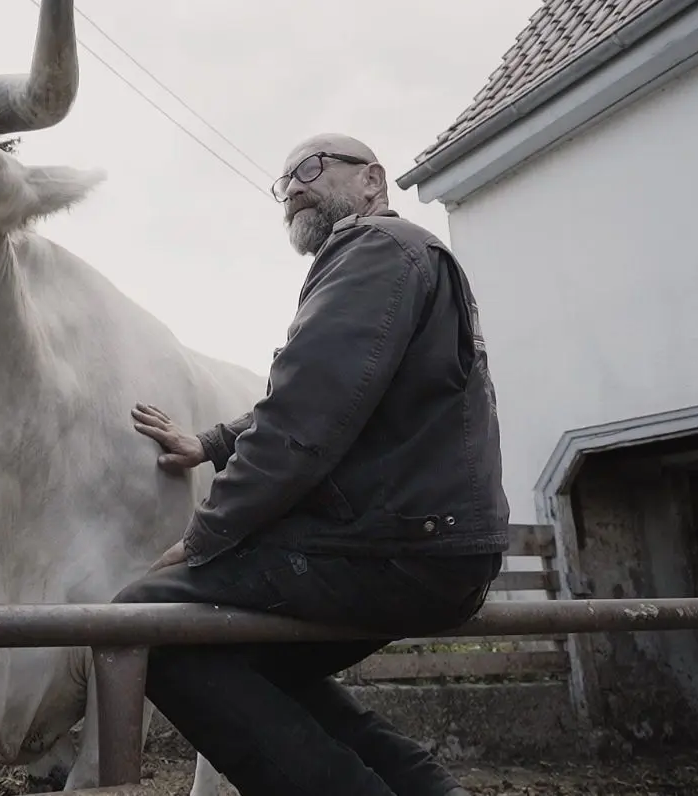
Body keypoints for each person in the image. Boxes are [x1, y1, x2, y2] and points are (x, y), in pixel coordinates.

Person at [114, 133, 510, 796]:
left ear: (372, 181)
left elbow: (302, 418)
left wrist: (203, 537)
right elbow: (325, 395)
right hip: (432, 547)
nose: (293, 186)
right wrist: (209, 444)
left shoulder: (375, 248)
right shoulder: (400, 262)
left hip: (397, 546)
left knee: (148, 621)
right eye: (284, 182)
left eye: (312, 166)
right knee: (256, 664)